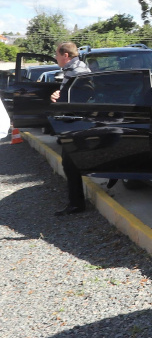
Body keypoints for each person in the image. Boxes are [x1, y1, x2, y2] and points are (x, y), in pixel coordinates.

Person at [52, 41, 91, 216]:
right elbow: (69, 93)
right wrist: (58, 95)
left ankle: (76, 204)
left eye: (57, 54)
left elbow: (83, 96)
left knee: (71, 162)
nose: (55, 58)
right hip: (72, 121)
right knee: (69, 163)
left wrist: (60, 102)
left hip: (78, 122)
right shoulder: (71, 71)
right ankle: (75, 202)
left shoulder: (79, 72)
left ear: (65, 55)